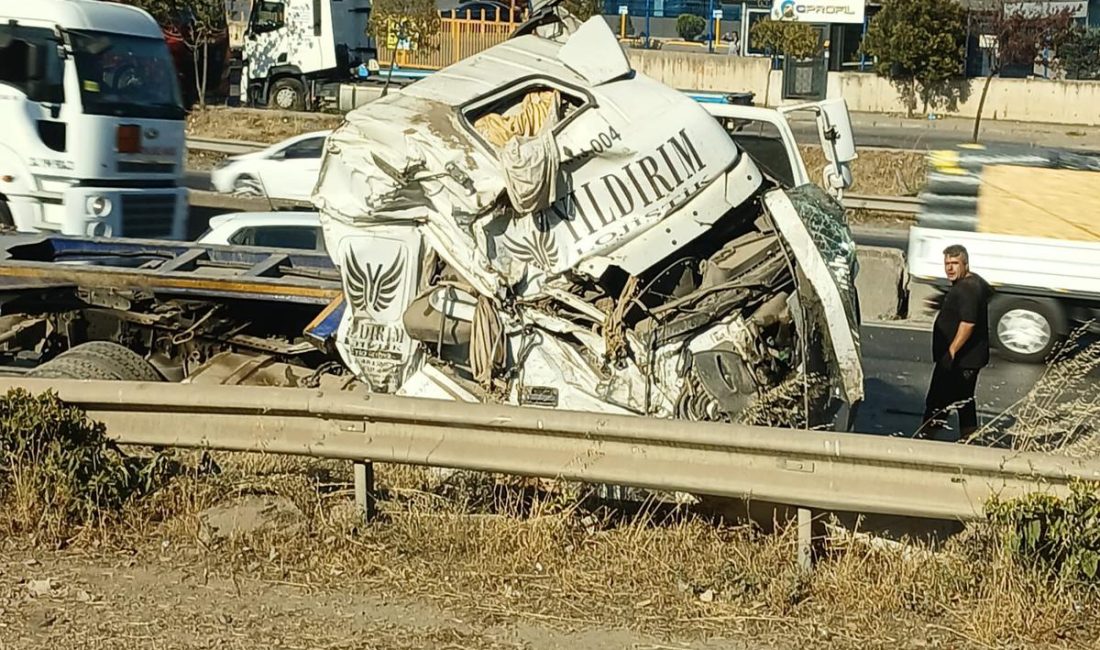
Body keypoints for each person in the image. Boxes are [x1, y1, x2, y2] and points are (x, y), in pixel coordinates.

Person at [918, 244, 992, 441]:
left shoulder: (967, 289)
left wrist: (951, 351)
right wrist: (945, 301)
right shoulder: (973, 283)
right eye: (947, 264)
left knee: (937, 400)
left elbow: (968, 324)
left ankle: (924, 439)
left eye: (954, 264)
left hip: (960, 359)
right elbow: (987, 294)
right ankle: (969, 440)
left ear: (965, 264)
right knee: (963, 401)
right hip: (968, 358)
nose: (950, 268)